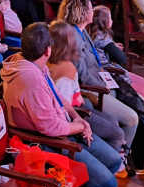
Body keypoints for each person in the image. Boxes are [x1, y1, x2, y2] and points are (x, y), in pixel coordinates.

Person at [1, 22, 122, 187]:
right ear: (48, 50)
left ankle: (81, 186)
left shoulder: (34, 64)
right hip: (50, 141)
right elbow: (50, 129)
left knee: (115, 161)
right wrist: (80, 127)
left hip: (66, 127)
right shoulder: (32, 80)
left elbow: (57, 96)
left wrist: (78, 118)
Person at [58, 0, 140, 153]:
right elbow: (83, 75)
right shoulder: (72, 37)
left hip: (99, 81)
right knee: (132, 118)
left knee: (137, 100)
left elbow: (93, 61)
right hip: (89, 89)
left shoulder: (82, 31)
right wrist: (105, 85)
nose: (92, 12)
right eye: (90, 8)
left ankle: (127, 150)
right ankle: (122, 156)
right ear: (81, 12)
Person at [48, 21, 126, 157]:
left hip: (76, 107)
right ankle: (109, 161)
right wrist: (80, 123)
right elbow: (62, 109)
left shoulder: (58, 62)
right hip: (72, 116)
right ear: (68, 43)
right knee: (117, 134)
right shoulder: (66, 69)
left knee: (112, 121)